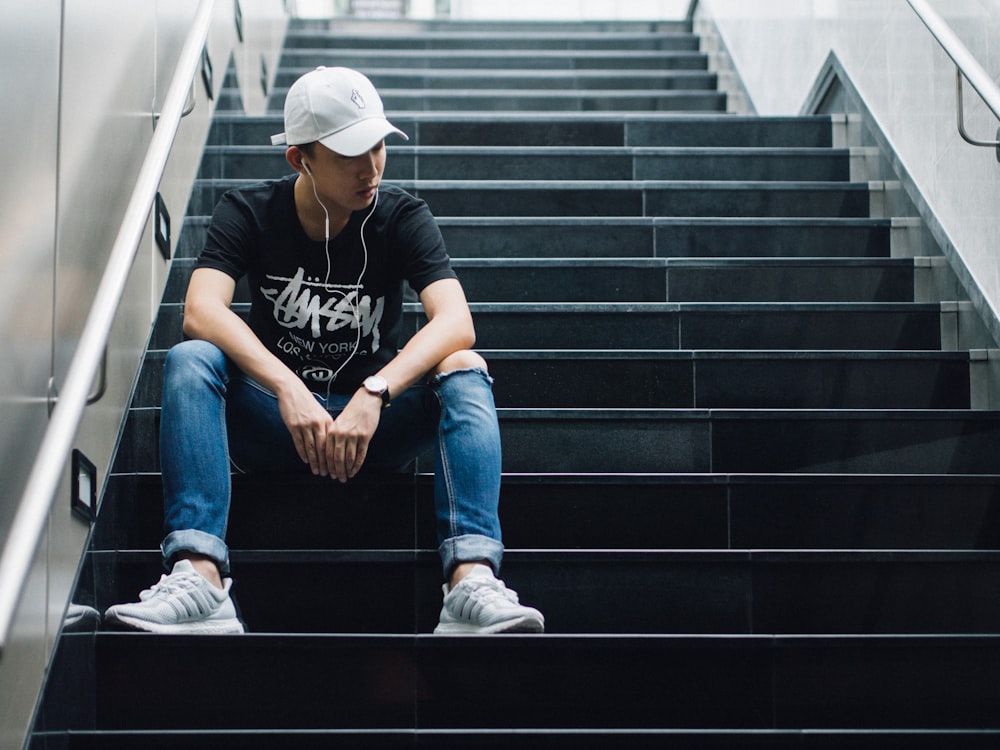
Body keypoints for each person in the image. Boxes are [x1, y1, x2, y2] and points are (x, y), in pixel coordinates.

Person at [104, 66, 544, 636]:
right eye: (348, 153)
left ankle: (469, 582)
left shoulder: (401, 215)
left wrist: (376, 390)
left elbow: (456, 322)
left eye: (379, 144)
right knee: (193, 358)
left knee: (464, 366)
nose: (371, 167)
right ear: (299, 159)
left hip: (374, 428)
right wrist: (287, 385)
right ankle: (200, 577)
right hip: (279, 425)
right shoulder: (250, 211)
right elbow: (201, 311)